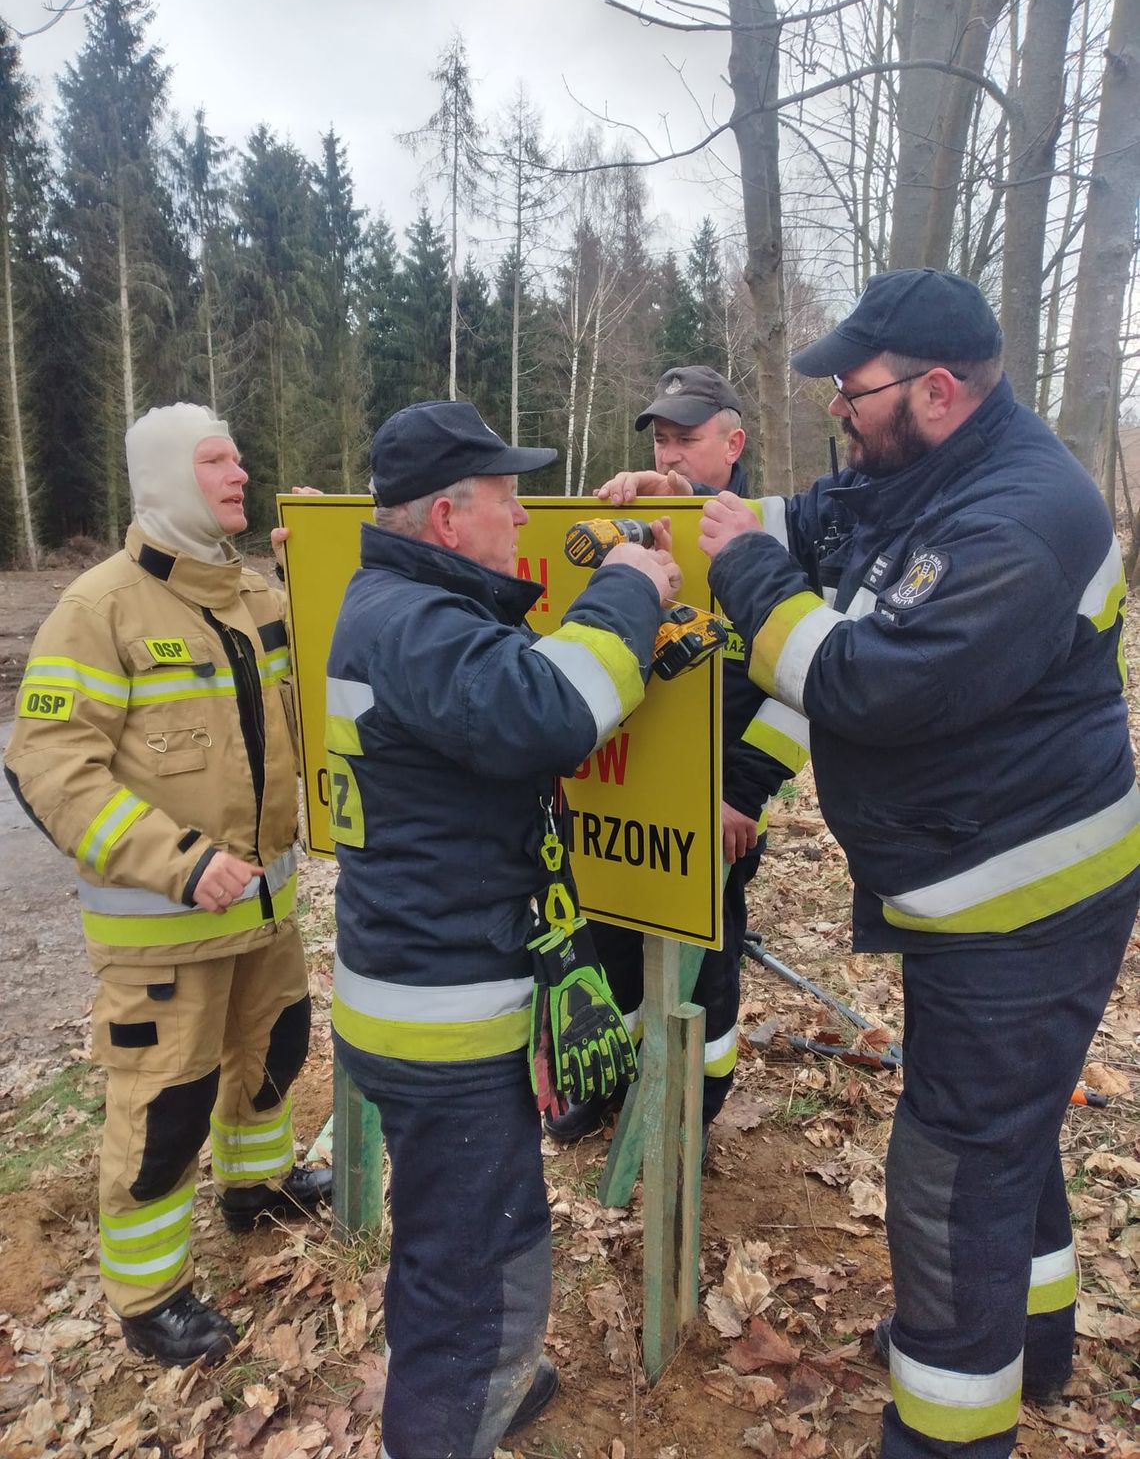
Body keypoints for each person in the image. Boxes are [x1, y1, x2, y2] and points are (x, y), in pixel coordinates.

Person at [697, 268, 1140, 1459]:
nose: (839, 404)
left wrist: (743, 573)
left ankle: (950, 1428)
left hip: (1027, 900)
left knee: (953, 1171)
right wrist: (718, 510)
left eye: (856, 386)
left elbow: (862, 684)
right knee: (1009, 1133)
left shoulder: (1024, 517)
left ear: (936, 390)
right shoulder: (941, 467)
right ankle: (1032, 1346)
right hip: (978, 879)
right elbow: (842, 518)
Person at [326, 399, 681, 1459]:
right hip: (443, 1017)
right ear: (447, 515)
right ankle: (444, 1421)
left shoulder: (398, 606)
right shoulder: (412, 624)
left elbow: (500, 723)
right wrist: (630, 584)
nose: (523, 517)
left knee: (474, 1228)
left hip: (423, 989)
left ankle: (495, 1377)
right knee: (466, 1256)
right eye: (505, 498)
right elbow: (543, 710)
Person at [3, 404, 331, 1367]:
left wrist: (316, 556)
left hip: (265, 917)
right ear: (166, 481)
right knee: (164, 1112)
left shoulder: (259, 599)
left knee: (274, 1056)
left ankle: (256, 1193)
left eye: (238, 455)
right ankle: (148, 1298)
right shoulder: (98, 609)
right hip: (164, 935)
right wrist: (179, 863)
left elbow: (329, 677)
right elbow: (50, 768)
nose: (241, 472)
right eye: (217, 460)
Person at [543, 365, 806, 1146]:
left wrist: (744, 792)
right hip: (623, 788)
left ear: (734, 442)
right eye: (661, 438)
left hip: (715, 798)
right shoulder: (635, 519)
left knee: (704, 952)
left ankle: (694, 1098)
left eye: (687, 438)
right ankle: (612, 1080)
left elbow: (798, 693)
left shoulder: (774, 534)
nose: (671, 453)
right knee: (610, 931)